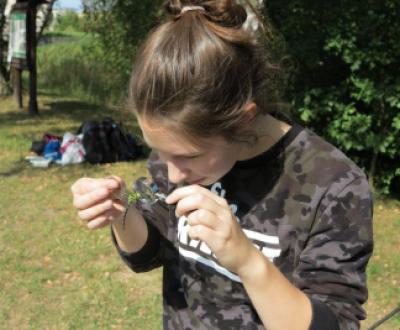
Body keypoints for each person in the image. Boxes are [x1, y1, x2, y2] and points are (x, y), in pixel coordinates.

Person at [71, 1, 373, 329]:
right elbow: (149, 253)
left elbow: (335, 322)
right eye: (158, 150)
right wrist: (120, 214)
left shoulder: (333, 185)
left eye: (189, 156)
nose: (172, 173)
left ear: (244, 120)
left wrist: (247, 260)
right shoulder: (177, 154)